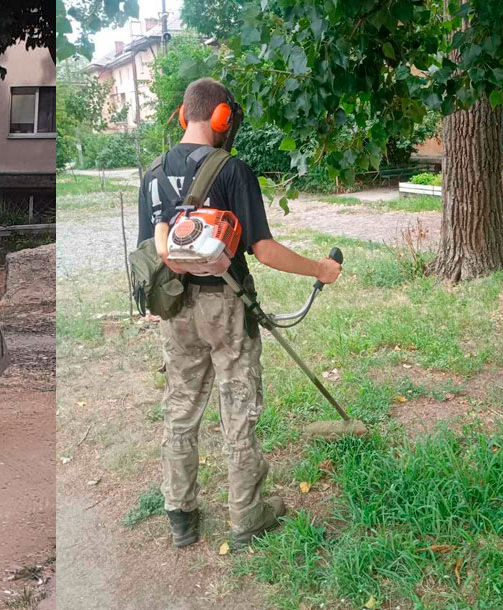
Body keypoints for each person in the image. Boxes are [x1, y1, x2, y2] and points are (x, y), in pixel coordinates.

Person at [137, 77, 341, 548]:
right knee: (238, 409)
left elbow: (150, 248)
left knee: (181, 409)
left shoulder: (151, 173)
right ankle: (247, 516)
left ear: (183, 114)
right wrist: (320, 269)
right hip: (225, 307)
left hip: (172, 307)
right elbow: (264, 250)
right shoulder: (232, 171)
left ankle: (180, 515)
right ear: (223, 118)